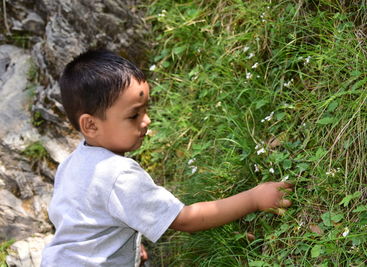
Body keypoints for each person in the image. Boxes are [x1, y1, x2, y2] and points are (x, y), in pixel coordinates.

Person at [41, 49, 293, 266]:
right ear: (91, 125)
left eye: (146, 110)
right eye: (134, 116)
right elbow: (185, 219)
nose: (147, 121)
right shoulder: (119, 174)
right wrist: (254, 198)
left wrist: (124, 242)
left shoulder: (71, 165)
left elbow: (80, 223)